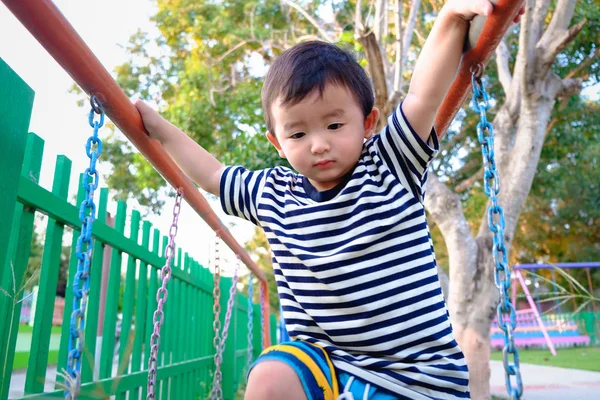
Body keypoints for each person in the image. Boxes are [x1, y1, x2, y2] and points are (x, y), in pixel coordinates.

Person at [135, 0, 523, 398]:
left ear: (367, 123)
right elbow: (214, 175)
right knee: (268, 378)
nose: (319, 144)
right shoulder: (272, 194)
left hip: (413, 375)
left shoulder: (390, 163)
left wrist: (450, 18)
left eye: (335, 124)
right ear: (278, 144)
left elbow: (423, 96)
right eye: (298, 134)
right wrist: (159, 128)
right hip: (325, 363)